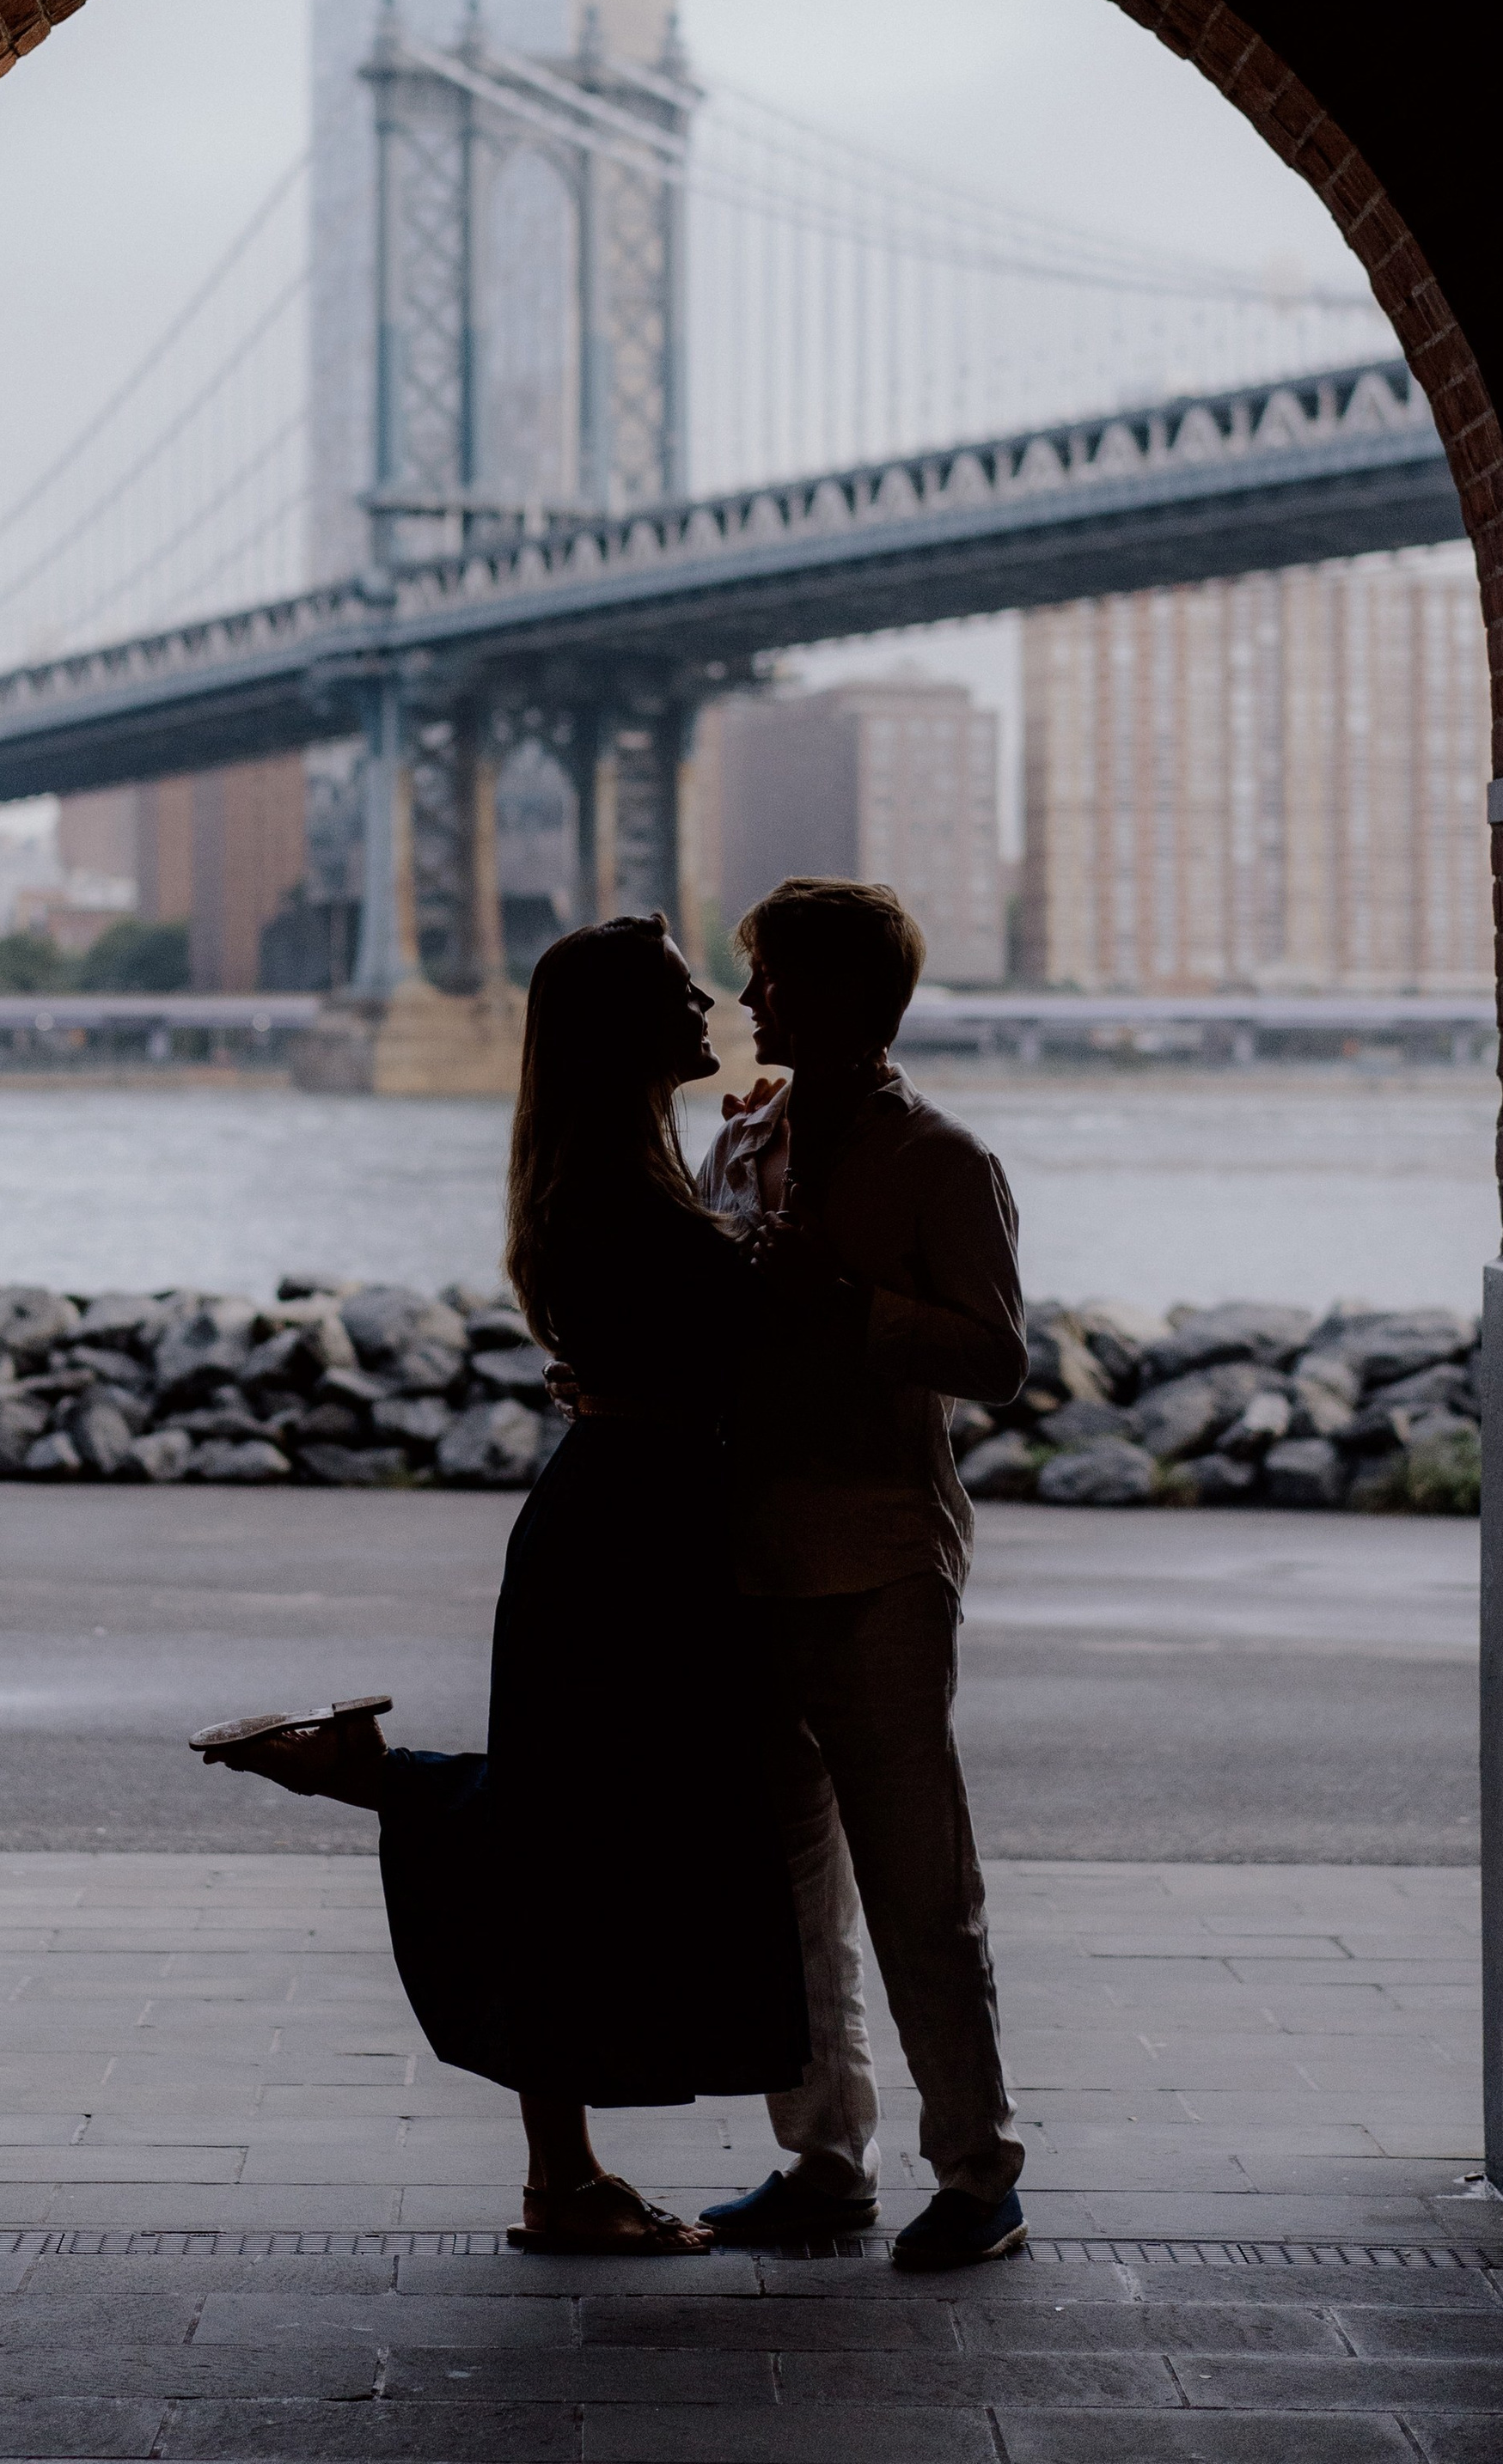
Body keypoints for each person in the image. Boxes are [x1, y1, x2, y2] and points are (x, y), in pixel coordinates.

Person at [200, 913, 834, 2254]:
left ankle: (370, 1777)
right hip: (636, 1539)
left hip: (613, 1515)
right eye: (675, 990)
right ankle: (557, 2173)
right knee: (580, 1840)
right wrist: (792, 1184)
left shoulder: (608, 1171)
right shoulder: (623, 1190)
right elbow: (767, 1335)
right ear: (617, 1025)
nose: (707, 1001)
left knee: (575, 1831)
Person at [688, 874, 1032, 2272]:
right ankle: (825, 2158)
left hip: (884, 1555)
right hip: (744, 1555)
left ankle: (977, 2173)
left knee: (919, 1882)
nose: (750, 1001)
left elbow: (998, 1359)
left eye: (768, 978)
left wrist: (852, 1308)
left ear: (840, 996)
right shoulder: (737, 1143)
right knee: (786, 1887)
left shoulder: (946, 1161)